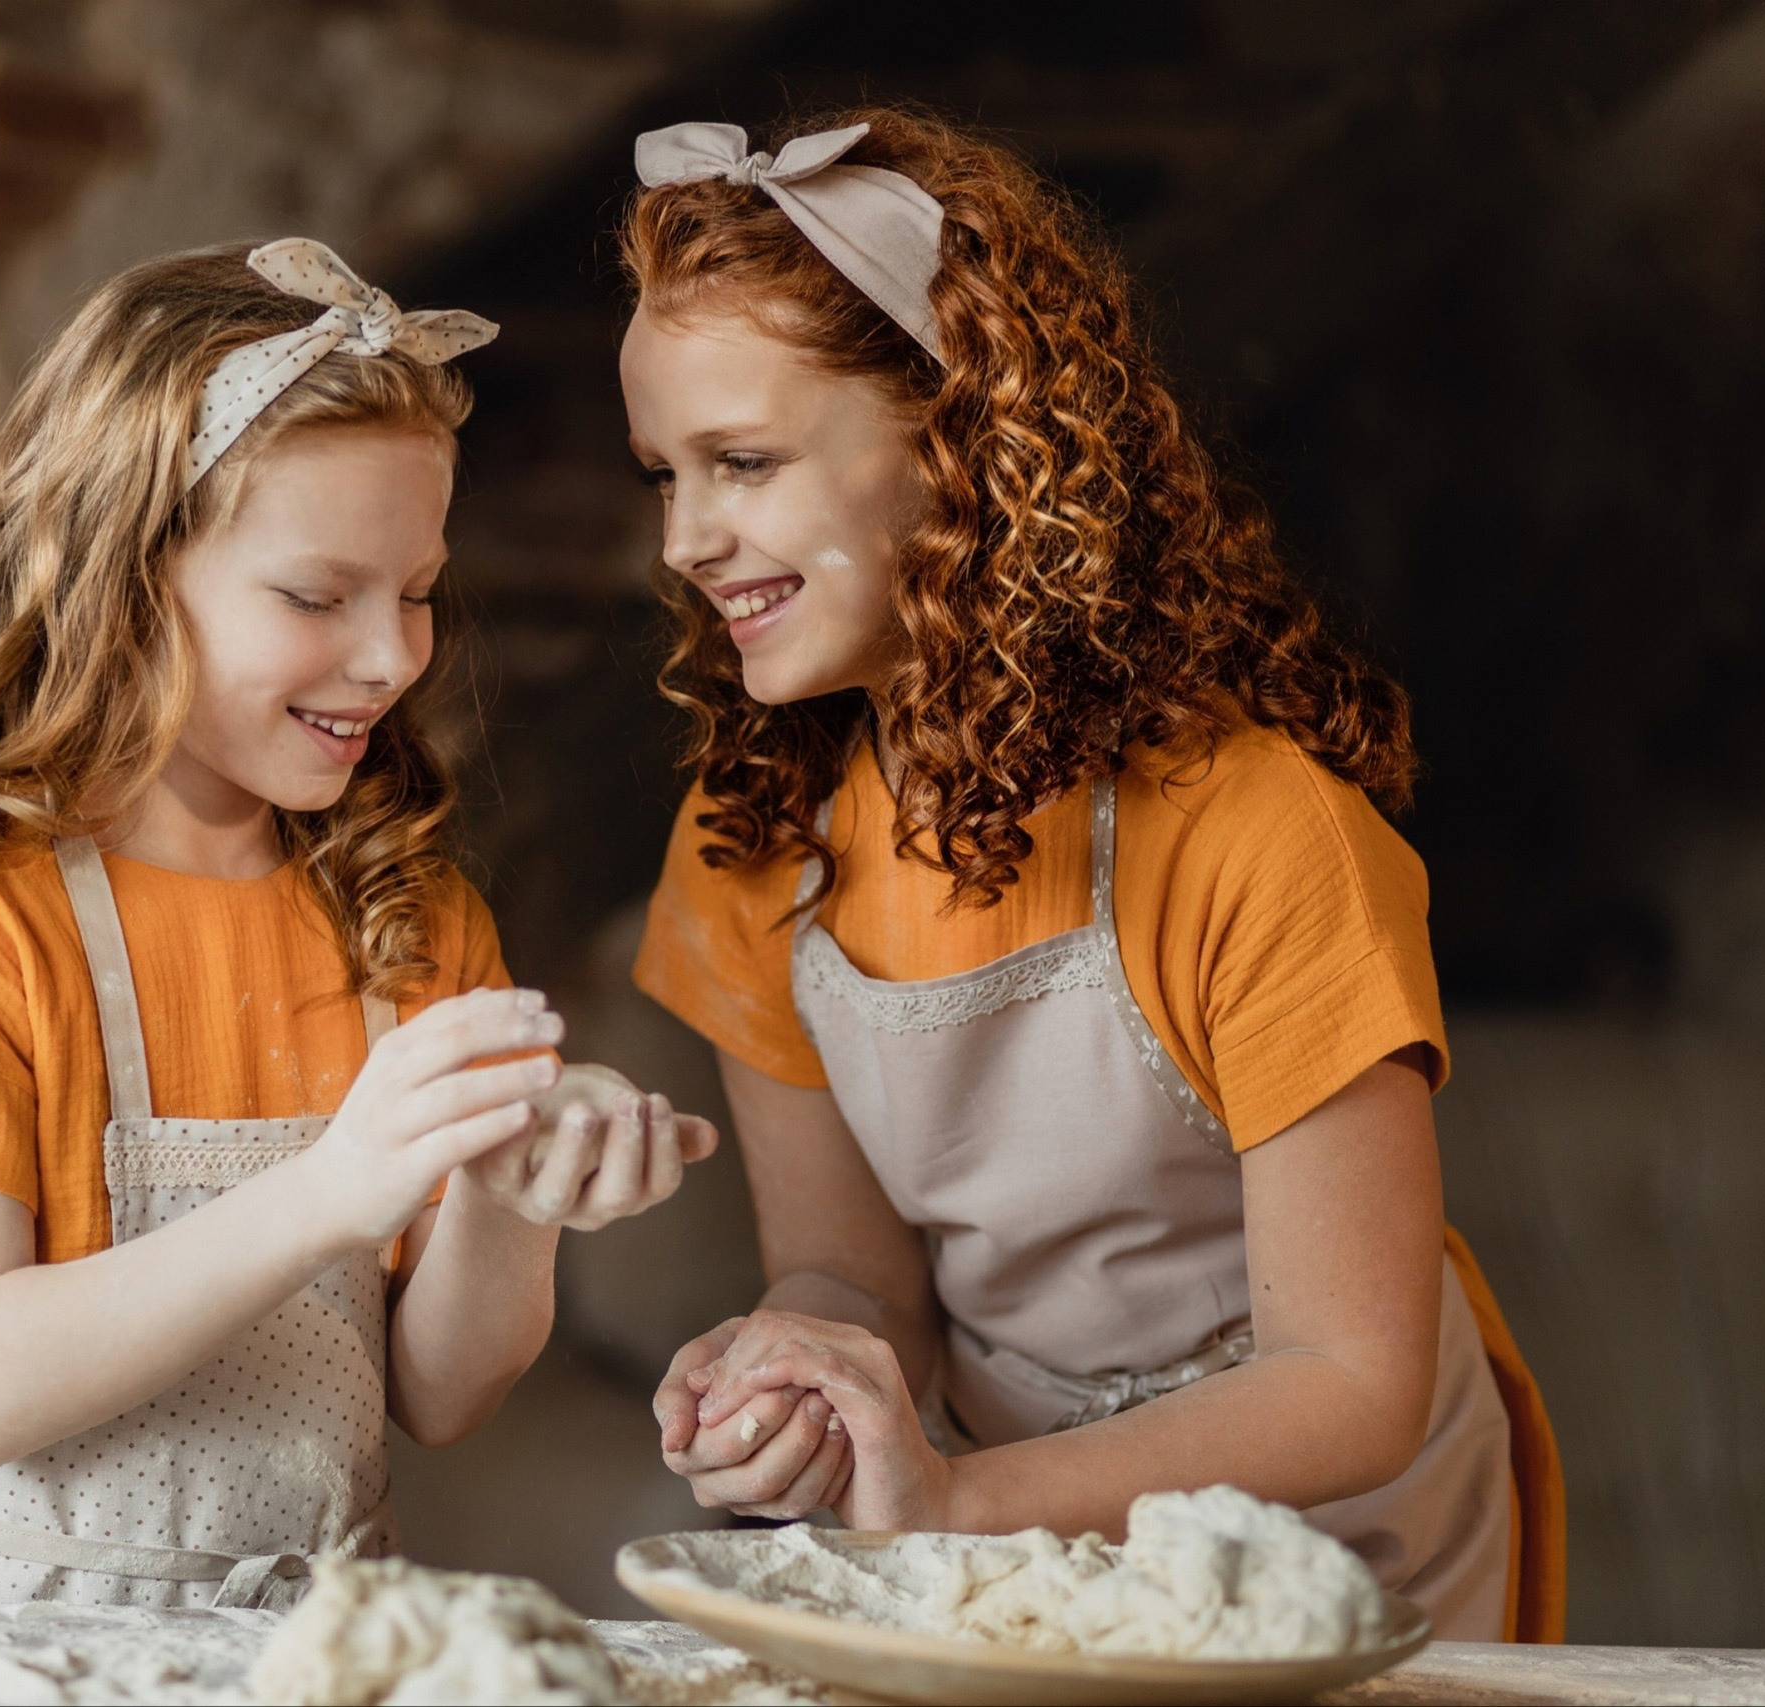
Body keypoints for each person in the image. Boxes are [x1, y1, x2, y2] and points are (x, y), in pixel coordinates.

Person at [619, 111, 1563, 1642]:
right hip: (1010, 1542)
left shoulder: (1258, 833)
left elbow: (1351, 1381)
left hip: (1339, 1560)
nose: (684, 539)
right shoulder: (749, 846)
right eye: (663, 472)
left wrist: (951, 1503)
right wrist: (804, 1369)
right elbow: (859, 1277)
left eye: (742, 461)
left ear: (961, 444)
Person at [0, 240, 714, 1605]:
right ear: (127, 575)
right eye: (318, 596)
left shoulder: (407, 917)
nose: (391, 655)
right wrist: (336, 1187)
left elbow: (440, 1396)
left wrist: (505, 1187)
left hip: (308, 1649)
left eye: (420, 591)